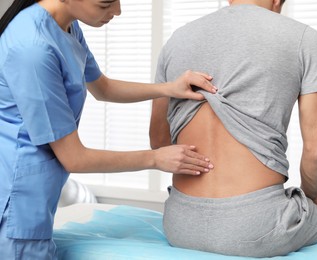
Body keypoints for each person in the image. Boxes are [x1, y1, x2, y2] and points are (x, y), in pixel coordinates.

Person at [0, 0, 217, 259]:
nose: (117, 11)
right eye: (105, 4)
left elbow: (103, 87)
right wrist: (156, 158)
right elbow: (74, 158)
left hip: (36, 194)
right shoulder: (32, 47)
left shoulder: (66, 26)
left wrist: (169, 88)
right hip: (18, 198)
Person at [150, 0, 317, 257]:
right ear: (277, 2)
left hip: (179, 224)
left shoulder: (176, 40)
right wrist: (312, 197)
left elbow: (158, 140)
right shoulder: (303, 37)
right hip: (258, 226)